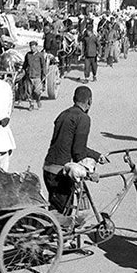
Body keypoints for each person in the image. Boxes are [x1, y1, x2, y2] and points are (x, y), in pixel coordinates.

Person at [42, 86, 108, 214]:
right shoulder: (83, 118)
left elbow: (69, 144)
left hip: (48, 168)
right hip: (61, 173)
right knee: (62, 217)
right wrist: (91, 168)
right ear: (89, 102)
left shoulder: (63, 114)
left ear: (74, 99)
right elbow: (78, 152)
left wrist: (97, 156)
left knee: (56, 211)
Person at [22, 40, 46, 110]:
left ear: (36, 47)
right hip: (29, 76)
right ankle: (31, 104)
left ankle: (38, 100)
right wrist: (22, 70)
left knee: (37, 91)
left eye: (34, 47)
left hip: (37, 76)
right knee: (29, 92)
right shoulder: (28, 55)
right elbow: (25, 64)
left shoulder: (40, 55)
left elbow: (43, 66)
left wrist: (43, 76)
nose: (32, 48)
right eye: (31, 47)